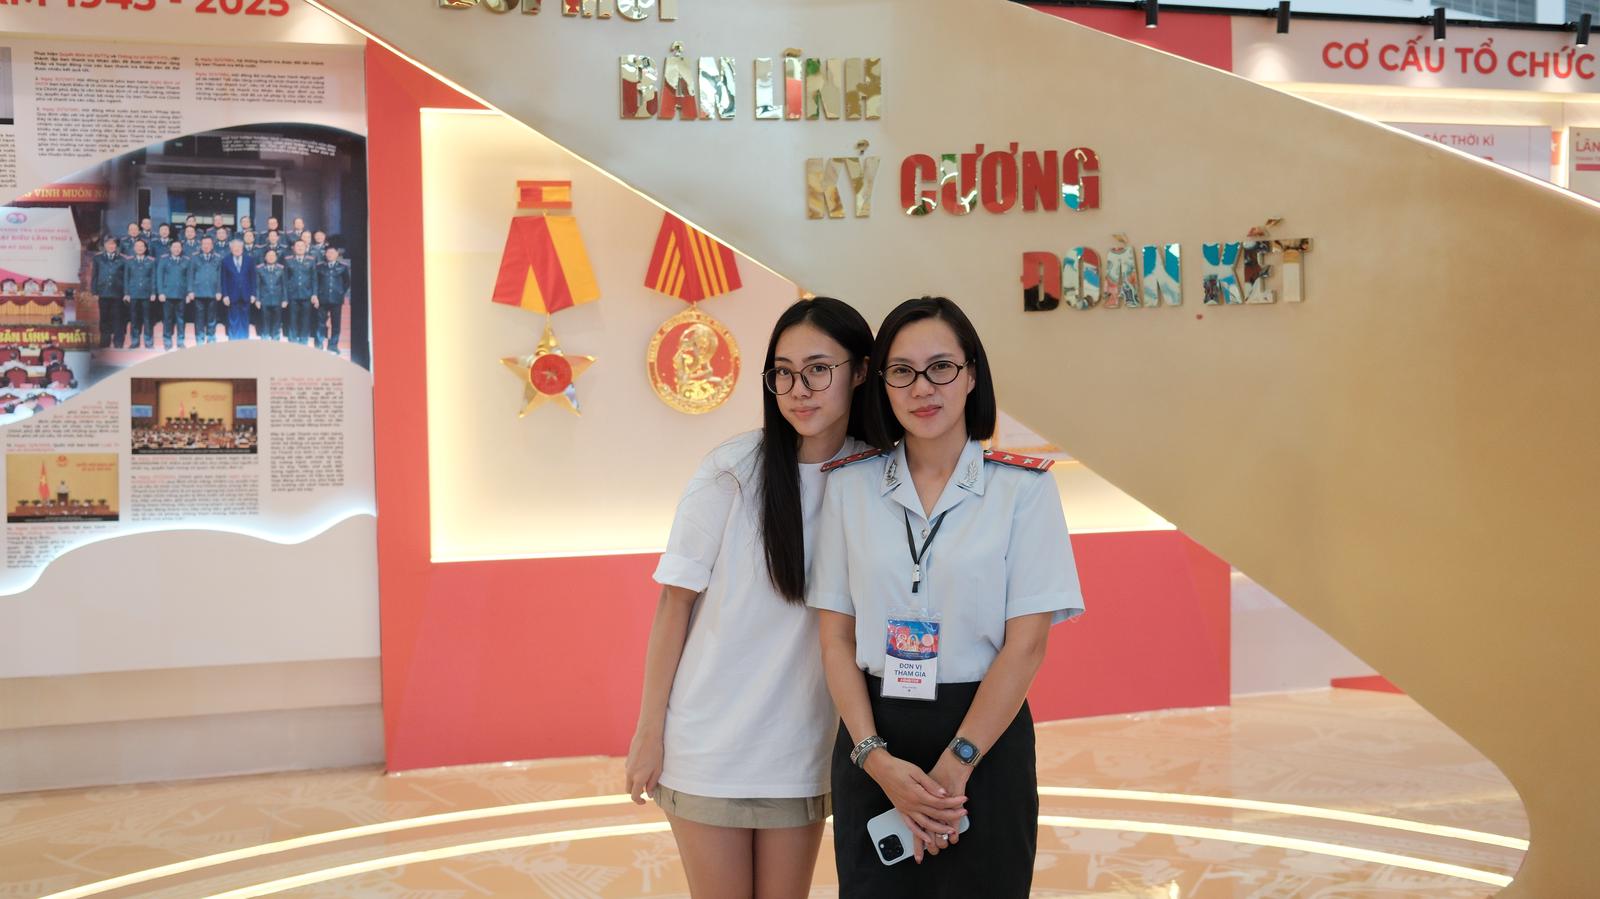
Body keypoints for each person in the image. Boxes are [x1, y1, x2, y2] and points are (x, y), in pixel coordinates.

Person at [808, 296, 1084, 898]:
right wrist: (874, 758)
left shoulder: (1023, 491)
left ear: (972, 375)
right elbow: (835, 638)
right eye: (901, 371)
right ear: (882, 383)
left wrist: (955, 767)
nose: (922, 387)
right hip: (874, 738)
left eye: (941, 367)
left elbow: (1027, 645)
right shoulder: (849, 488)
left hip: (984, 739)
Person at [626, 297, 874, 899]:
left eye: (818, 369)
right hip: (708, 745)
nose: (798, 389)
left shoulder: (876, 477)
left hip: (800, 749)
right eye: (783, 373)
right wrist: (649, 731)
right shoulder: (732, 470)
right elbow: (675, 604)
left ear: (860, 371)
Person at [312, 246, 352, 354]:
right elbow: (316, 282)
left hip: (336, 299)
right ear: (325, 254)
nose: (330, 255)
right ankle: (319, 344)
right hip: (322, 299)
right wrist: (316, 295)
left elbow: (347, 282)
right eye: (328, 252)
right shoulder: (320, 267)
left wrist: (340, 292)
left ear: (337, 254)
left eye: (332, 253)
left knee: (336, 324)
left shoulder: (343, 267)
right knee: (320, 323)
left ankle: (333, 345)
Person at [187, 237, 224, 345]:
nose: (206, 246)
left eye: (208, 244)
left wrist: (219, 291)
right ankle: (199, 337)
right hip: (198, 292)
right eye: (204, 244)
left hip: (213, 292)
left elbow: (220, 276)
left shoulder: (218, 258)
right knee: (199, 317)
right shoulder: (194, 258)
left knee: (212, 317)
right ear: (201, 245)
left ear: (212, 246)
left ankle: (211, 336)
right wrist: (190, 290)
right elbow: (190, 275)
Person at [90, 237, 125, 349]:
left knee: (118, 318)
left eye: (113, 244)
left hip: (118, 293)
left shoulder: (122, 259)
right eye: (109, 244)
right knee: (104, 318)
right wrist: (94, 291)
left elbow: (126, 277)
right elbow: (95, 276)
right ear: (104, 245)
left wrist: (126, 292)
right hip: (103, 292)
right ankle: (105, 341)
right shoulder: (98, 258)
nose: (111, 246)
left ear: (116, 246)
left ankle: (118, 342)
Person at [123, 239, 158, 348]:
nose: (139, 248)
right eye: (137, 246)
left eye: (142, 246)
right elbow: (126, 278)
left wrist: (153, 292)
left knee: (147, 319)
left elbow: (153, 278)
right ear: (134, 248)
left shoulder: (151, 261)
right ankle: (135, 341)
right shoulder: (129, 261)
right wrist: (126, 293)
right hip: (133, 293)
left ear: (145, 248)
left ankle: (148, 342)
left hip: (146, 294)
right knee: (134, 319)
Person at [220, 238, 256, 341]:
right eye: (234, 247)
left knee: (245, 319)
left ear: (242, 248)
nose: (237, 249)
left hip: (246, 294)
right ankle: (233, 341)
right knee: (233, 320)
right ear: (231, 248)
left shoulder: (249, 260)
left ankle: (244, 341)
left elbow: (253, 278)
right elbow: (223, 279)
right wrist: (225, 295)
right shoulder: (225, 261)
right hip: (232, 295)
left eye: (239, 247)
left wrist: (253, 294)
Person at [157, 240, 189, 349]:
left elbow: (188, 278)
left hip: (181, 294)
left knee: (181, 319)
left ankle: (180, 341)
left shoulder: (186, 260)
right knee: (167, 318)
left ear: (181, 248)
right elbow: (159, 277)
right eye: (174, 247)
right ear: (170, 248)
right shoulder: (164, 260)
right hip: (167, 294)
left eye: (179, 247)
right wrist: (161, 292)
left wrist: (188, 293)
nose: (176, 249)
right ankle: (167, 341)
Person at [284, 239, 316, 344]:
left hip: (307, 294)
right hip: (292, 294)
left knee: (305, 319)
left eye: (302, 246)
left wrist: (314, 294)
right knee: (292, 318)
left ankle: (303, 339)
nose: (300, 248)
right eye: (297, 246)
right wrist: (285, 296)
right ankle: (293, 339)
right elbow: (285, 279)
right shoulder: (288, 260)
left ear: (306, 248)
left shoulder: (311, 260)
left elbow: (314, 278)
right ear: (293, 248)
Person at [255, 249, 287, 340]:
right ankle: (265, 337)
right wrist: (257, 299)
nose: (271, 257)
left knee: (277, 320)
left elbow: (284, 285)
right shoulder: (259, 268)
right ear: (265, 257)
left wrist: (285, 299)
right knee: (264, 320)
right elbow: (257, 285)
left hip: (277, 298)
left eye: (273, 256)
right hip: (264, 298)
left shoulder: (281, 268)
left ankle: (275, 337)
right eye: (269, 256)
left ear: (276, 257)